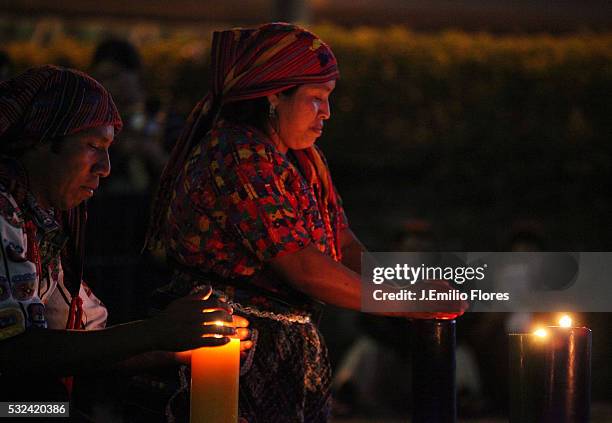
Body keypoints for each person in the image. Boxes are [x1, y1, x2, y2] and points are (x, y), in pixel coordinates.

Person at [146, 23, 465, 422]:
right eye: (316, 98)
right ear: (274, 96)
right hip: (231, 351)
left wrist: (407, 286)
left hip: (285, 355)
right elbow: (304, 267)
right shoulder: (237, 157)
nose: (327, 112)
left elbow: (342, 245)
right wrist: (407, 303)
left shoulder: (301, 158)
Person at [0, 65, 248, 406]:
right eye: (92, 145)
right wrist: (155, 332)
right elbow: (15, 351)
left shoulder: (42, 221)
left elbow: (87, 342)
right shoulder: (4, 213)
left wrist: (180, 345)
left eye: (108, 149)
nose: (105, 167)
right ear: (41, 139)